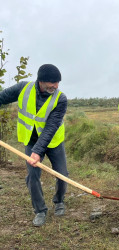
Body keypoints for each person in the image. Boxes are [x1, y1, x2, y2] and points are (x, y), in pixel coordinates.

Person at [0, 64, 68, 227]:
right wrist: (35, 149)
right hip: (31, 139)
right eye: (52, 82)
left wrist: (38, 151)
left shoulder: (61, 99)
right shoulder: (23, 88)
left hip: (53, 141)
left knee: (62, 173)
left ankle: (59, 201)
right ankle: (40, 210)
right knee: (32, 175)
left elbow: (51, 127)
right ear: (41, 81)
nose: (56, 86)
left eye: (58, 82)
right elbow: (2, 97)